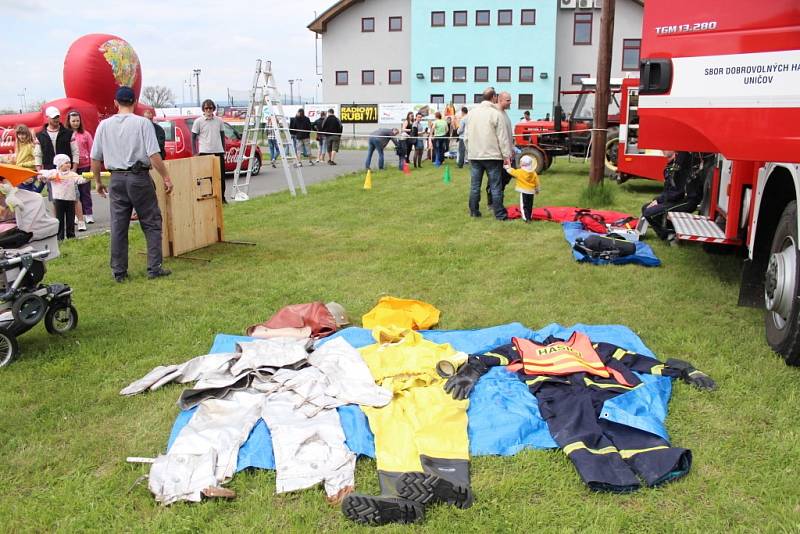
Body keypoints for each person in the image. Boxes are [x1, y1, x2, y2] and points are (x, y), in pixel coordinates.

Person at [91, 86, 173, 282]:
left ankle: (119, 272)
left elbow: (95, 158)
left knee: (119, 225)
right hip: (139, 177)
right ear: (135, 103)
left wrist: (98, 182)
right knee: (151, 222)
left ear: (115, 103)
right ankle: (154, 268)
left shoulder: (104, 125)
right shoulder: (143, 123)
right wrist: (166, 177)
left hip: (116, 179)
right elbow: (154, 155)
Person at [641, 151, 709, 242]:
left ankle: (670, 234)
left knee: (649, 212)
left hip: (687, 201)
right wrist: (658, 200)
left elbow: (678, 192)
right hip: (677, 198)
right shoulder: (674, 163)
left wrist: (659, 201)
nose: (662, 150)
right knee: (645, 208)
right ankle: (668, 233)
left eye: (665, 148)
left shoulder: (683, 161)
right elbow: (670, 189)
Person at [466, 87, 512, 220]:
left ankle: (474, 211)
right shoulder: (496, 114)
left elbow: (466, 136)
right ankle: (499, 214)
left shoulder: (472, 113)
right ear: (494, 98)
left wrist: (469, 152)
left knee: (475, 186)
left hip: (475, 155)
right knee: (495, 186)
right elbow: (502, 138)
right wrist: (506, 155)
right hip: (492, 156)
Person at [38, 154, 86, 240]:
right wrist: (45, 176)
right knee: (59, 219)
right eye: (66, 163)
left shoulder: (72, 174)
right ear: (60, 164)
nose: (68, 164)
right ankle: (60, 237)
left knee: (70, 219)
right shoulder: (54, 173)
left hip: (70, 199)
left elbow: (80, 180)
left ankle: (71, 236)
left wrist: (87, 177)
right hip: (59, 200)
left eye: (69, 163)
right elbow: (42, 173)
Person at [191, 99, 227, 203]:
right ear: (203, 109)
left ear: (213, 109)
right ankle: (207, 196)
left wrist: (223, 150)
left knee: (221, 176)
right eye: (206, 108)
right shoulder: (198, 121)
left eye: (210, 108)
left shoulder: (219, 120)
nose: (208, 110)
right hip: (205, 151)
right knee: (206, 176)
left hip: (218, 151)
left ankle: (222, 198)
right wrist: (195, 152)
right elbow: (193, 137)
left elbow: (222, 135)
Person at [67, 111, 94, 231]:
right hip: (71, 167)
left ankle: (88, 214)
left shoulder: (85, 134)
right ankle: (77, 215)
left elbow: (92, 150)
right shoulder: (66, 135)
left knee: (85, 191)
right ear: (69, 121)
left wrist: (92, 167)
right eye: (73, 121)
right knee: (73, 193)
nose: (76, 123)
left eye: (77, 120)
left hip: (85, 165)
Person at [505, 155, 540, 222]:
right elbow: (537, 182)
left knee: (524, 205)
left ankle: (525, 218)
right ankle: (529, 216)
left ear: (522, 163)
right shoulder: (533, 172)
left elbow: (512, 171)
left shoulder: (520, 172)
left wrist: (507, 167)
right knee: (530, 205)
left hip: (524, 191)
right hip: (531, 191)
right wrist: (537, 189)